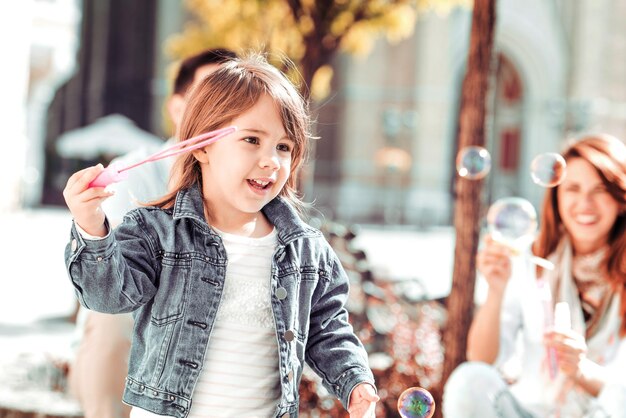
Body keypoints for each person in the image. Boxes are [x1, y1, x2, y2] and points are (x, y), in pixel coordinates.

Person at [63, 53, 379, 418]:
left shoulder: (305, 250)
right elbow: (107, 297)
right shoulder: (158, 231)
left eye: (283, 147)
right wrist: (91, 225)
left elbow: (327, 328)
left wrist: (356, 381)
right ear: (201, 145)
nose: (271, 160)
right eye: (251, 140)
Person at [67, 48, 238, 418]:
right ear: (177, 109)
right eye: (207, 97)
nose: (220, 110)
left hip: (208, 342)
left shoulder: (249, 187)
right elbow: (110, 282)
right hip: (128, 336)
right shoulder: (134, 174)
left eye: (232, 100)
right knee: (112, 320)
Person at [443, 133, 626, 417]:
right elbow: (482, 359)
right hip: (533, 411)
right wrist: (496, 290)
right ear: (556, 198)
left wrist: (582, 372)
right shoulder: (533, 259)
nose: (585, 203)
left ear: (621, 199)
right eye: (573, 189)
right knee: (468, 380)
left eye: (600, 190)